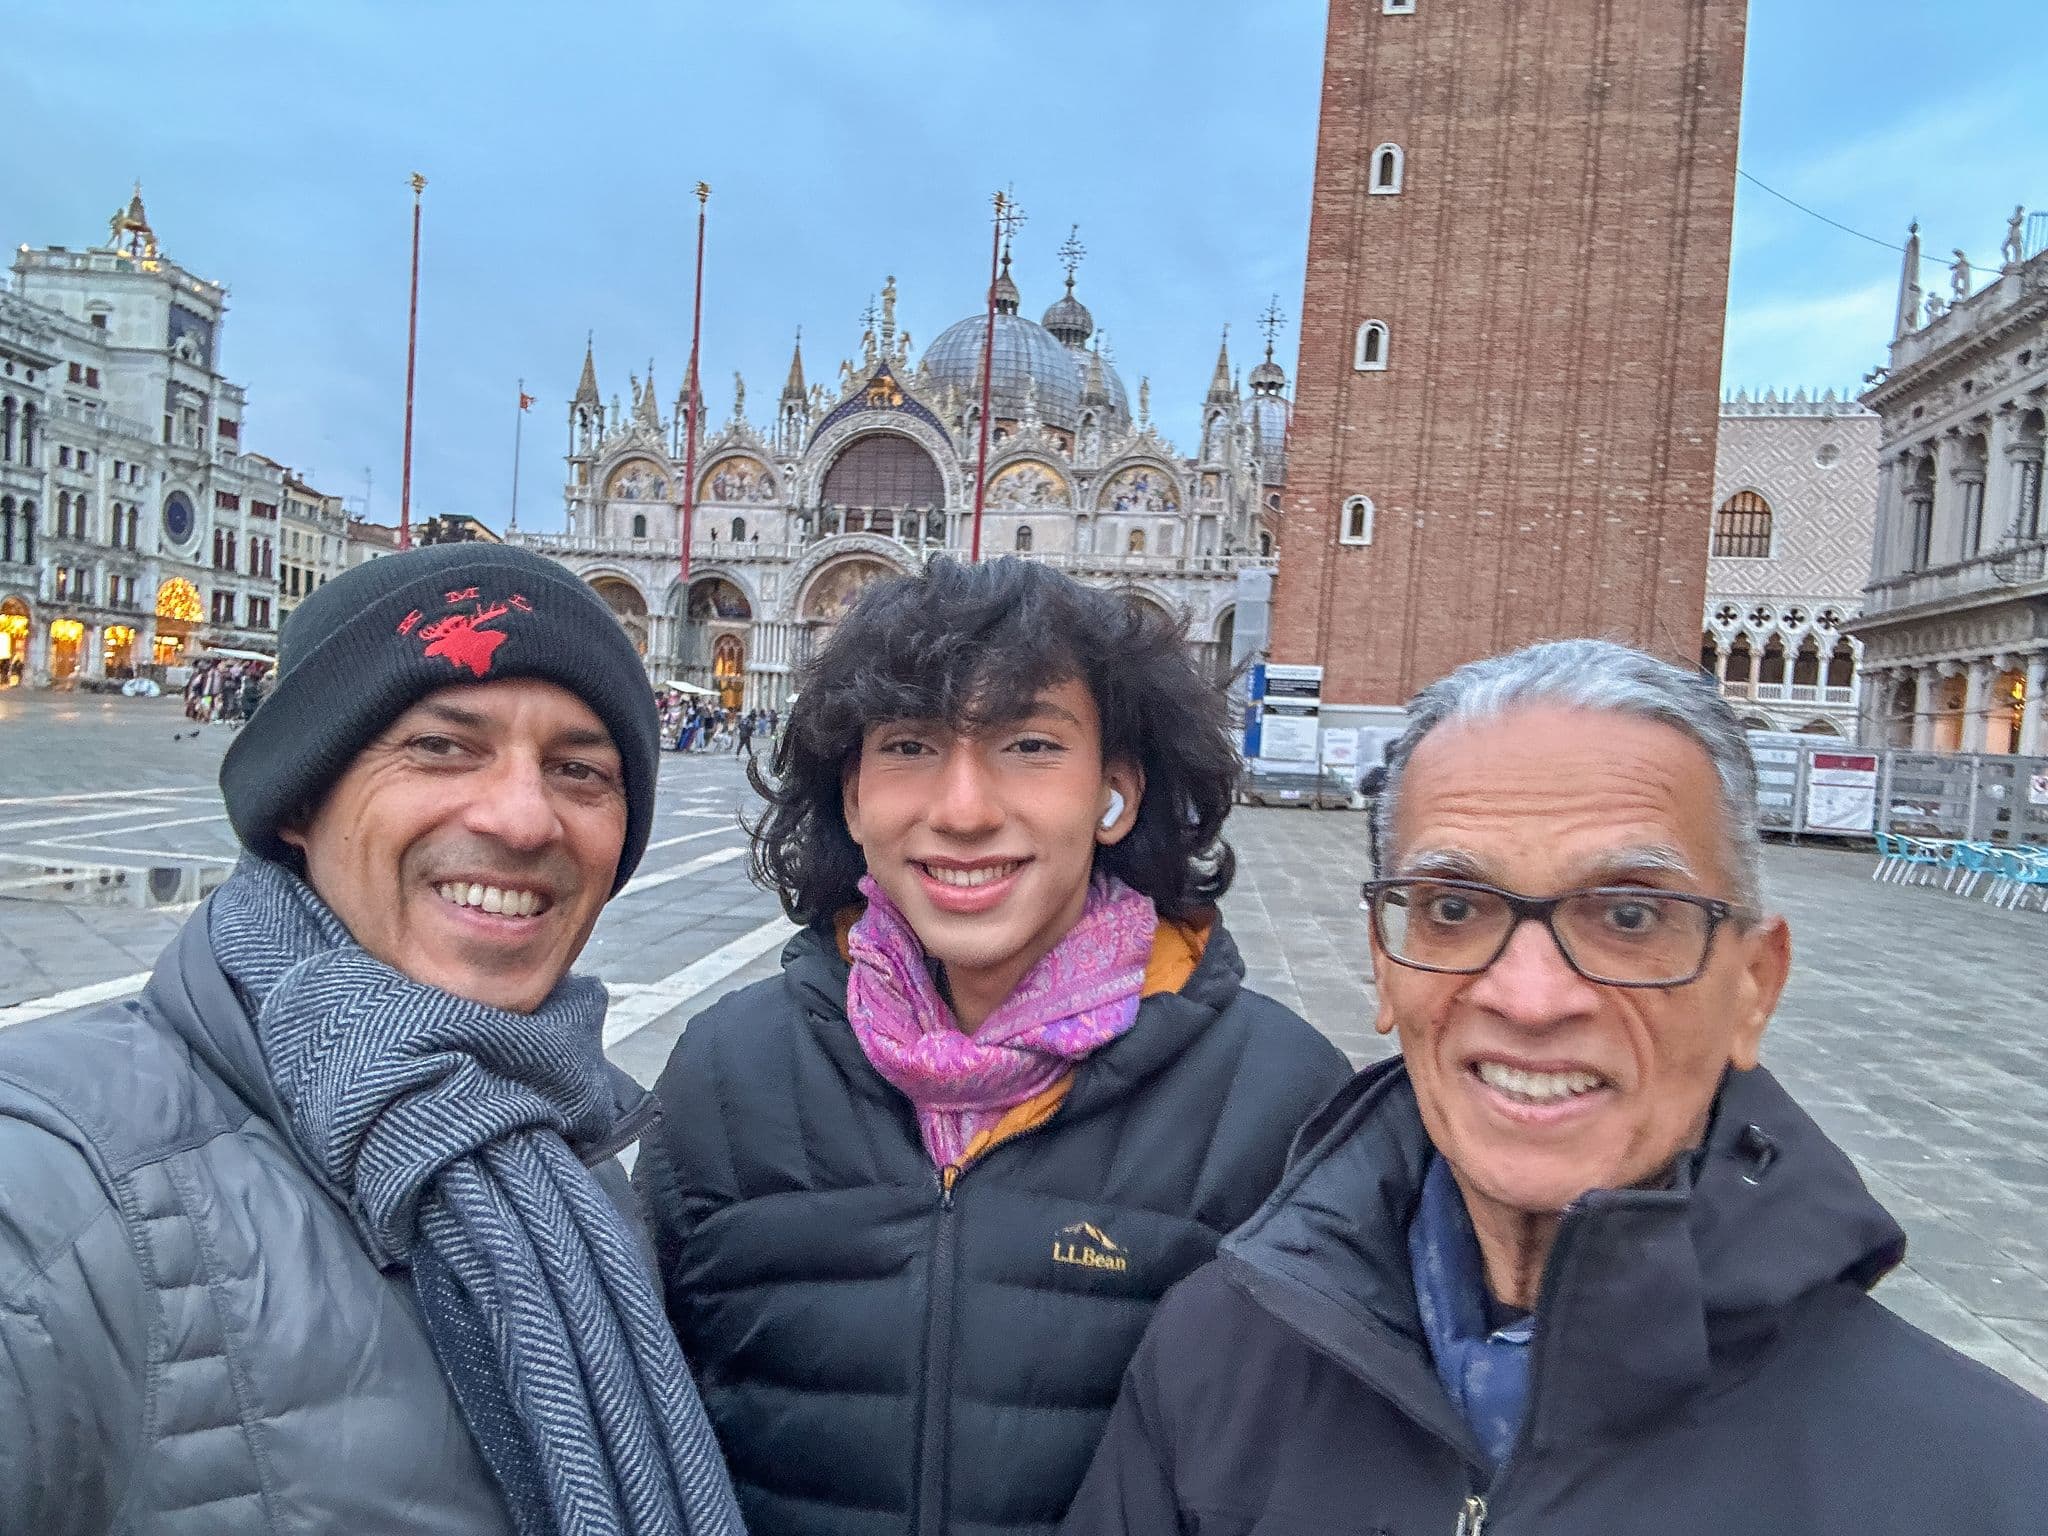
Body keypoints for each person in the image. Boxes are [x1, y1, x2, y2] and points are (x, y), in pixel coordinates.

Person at [1062, 639, 2048, 1536]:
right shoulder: (1212, 1363)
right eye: (1451, 906)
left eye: (1627, 915)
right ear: (1382, 964)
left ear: (1751, 987)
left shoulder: (1984, 1485)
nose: (1529, 997)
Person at [0, 544, 743, 1536]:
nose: (523, 818)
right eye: (440, 745)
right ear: (300, 798)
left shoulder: (563, 1144)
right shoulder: (55, 1192)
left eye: (580, 769)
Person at [633, 557, 1350, 1536]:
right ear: (850, 798)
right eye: (909, 745)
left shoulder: (1279, 1101)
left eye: (1027, 743)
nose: (963, 808)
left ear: (1115, 794)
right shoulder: (726, 1077)